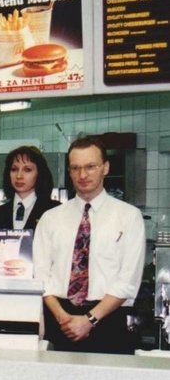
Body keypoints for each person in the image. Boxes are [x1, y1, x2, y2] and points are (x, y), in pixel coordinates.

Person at [33, 137, 145, 355]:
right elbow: (41, 276)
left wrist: (89, 320)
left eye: (90, 167)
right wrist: (62, 317)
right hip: (60, 322)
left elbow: (127, 281)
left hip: (108, 321)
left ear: (105, 167)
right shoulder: (51, 218)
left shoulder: (128, 217)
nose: (82, 175)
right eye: (75, 168)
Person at [0, 145, 60, 231]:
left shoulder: (55, 210)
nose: (19, 176)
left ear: (39, 173)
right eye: (14, 169)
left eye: (27, 170)